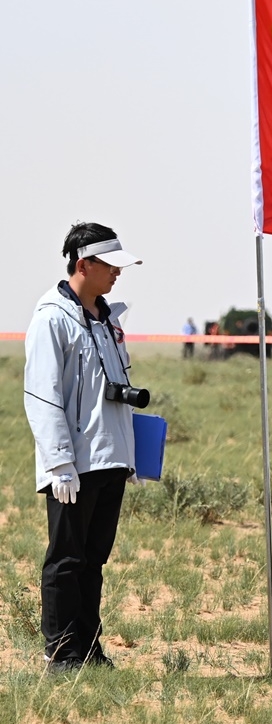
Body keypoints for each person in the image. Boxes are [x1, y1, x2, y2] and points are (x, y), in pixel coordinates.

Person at [23, 222, 145, 673]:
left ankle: (90, 651)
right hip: (73, 464)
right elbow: (41, 394)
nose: (118, 273)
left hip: (111, 458)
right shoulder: (52, 317)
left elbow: (116, 388)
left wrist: (130, 454)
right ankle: (61, 653)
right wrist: (58, 462)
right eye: (110, 265)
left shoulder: (110, 318)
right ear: (84, 264)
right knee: (66, 559)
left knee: (94, 560)